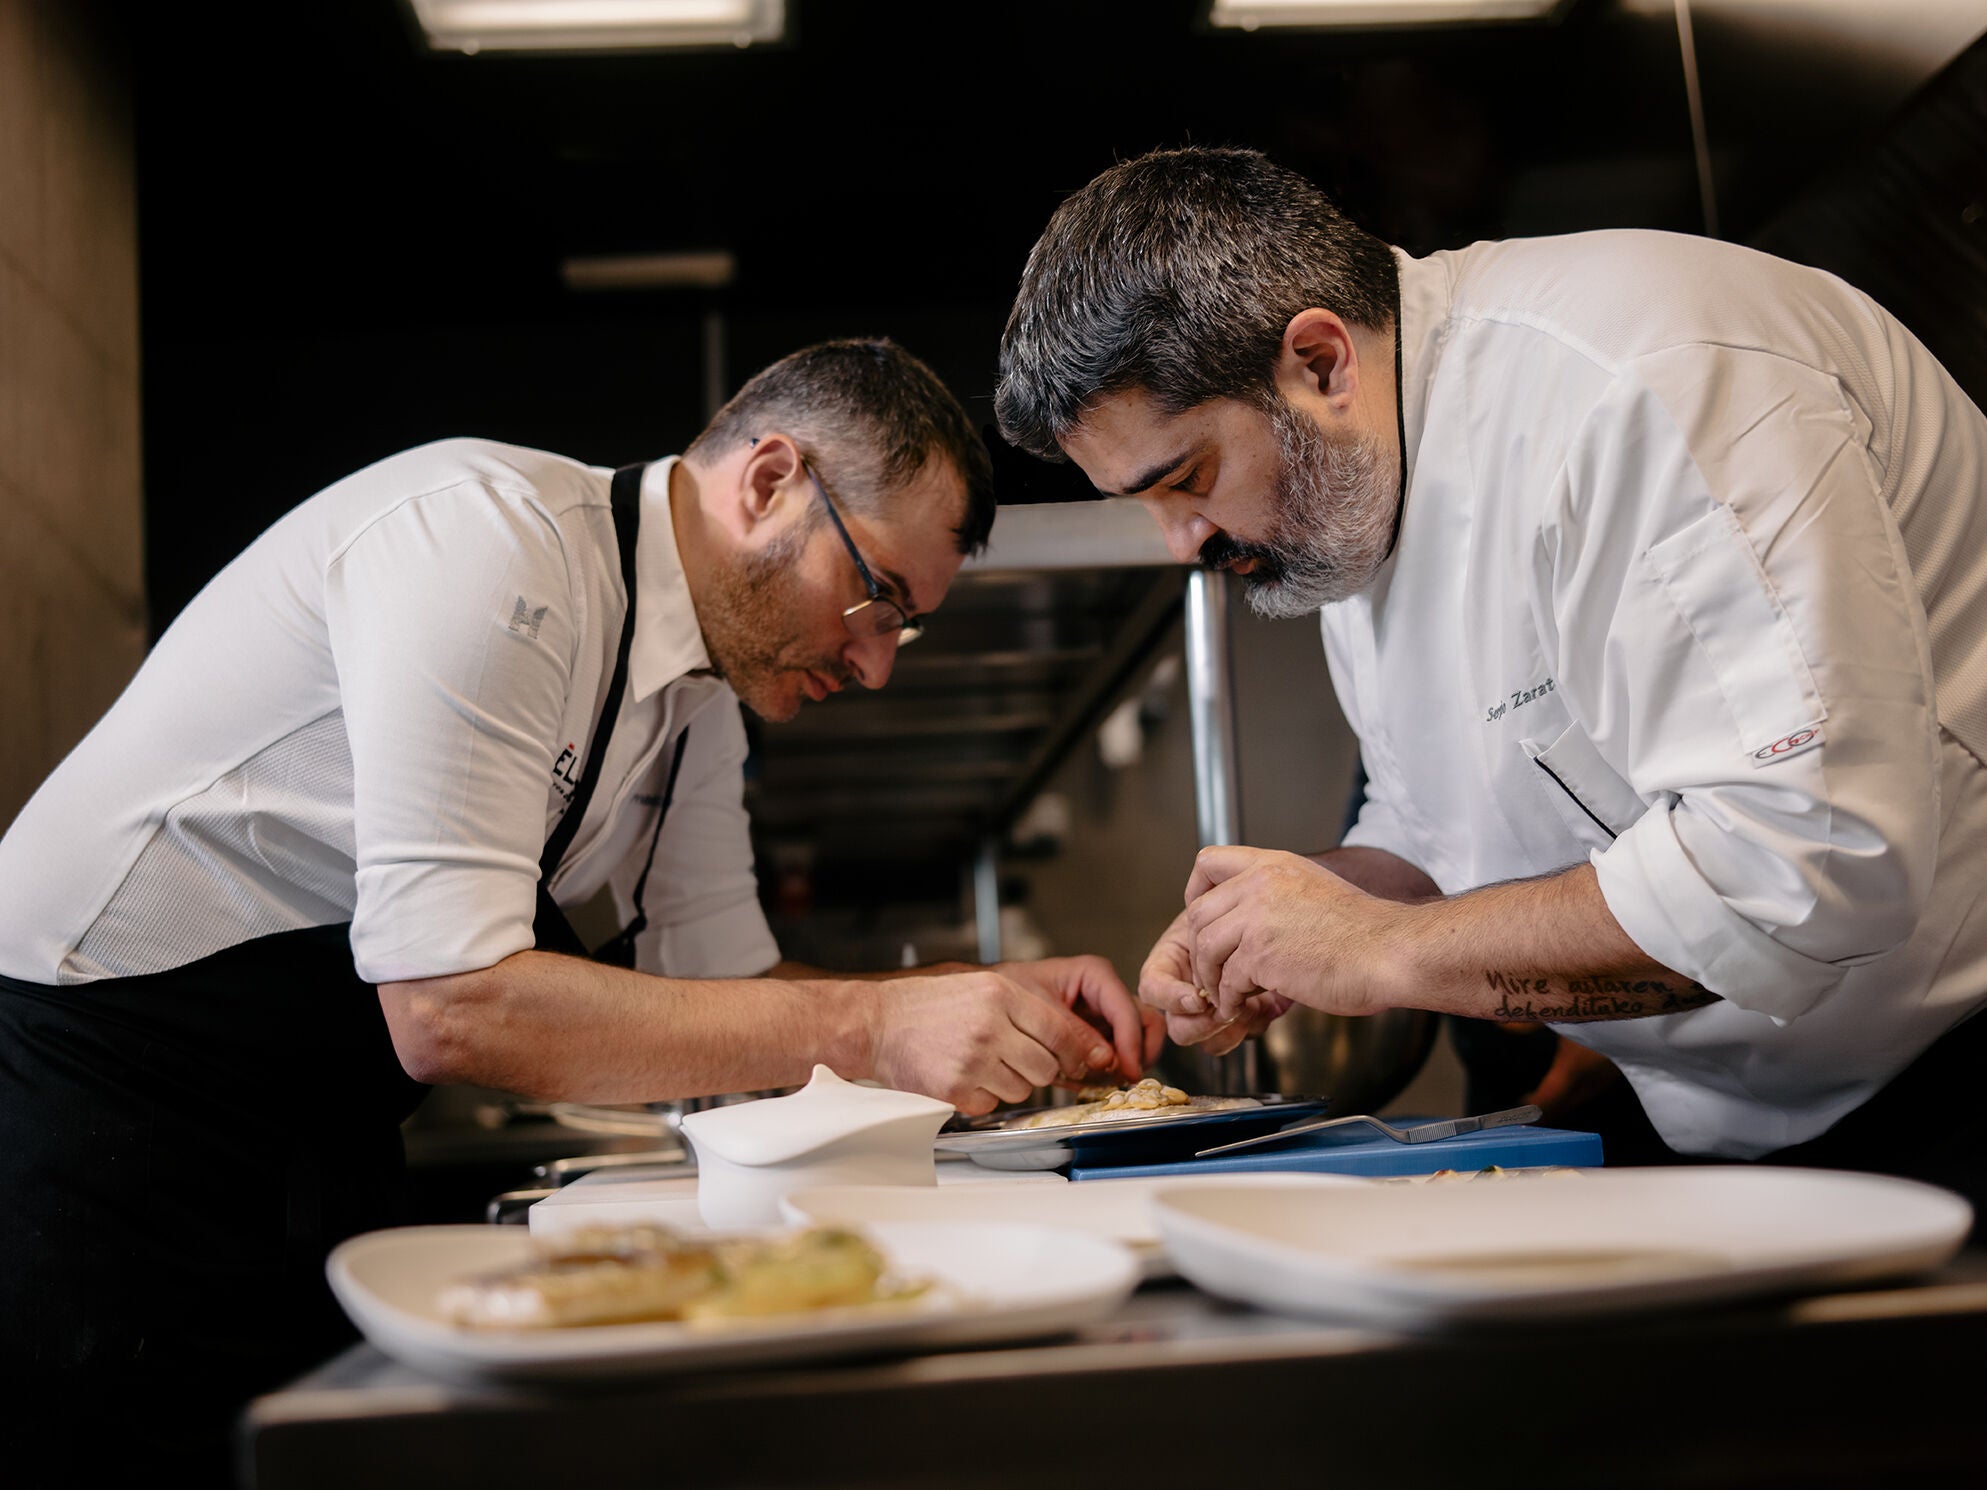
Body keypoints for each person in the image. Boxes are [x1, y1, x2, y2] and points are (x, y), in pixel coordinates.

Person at [0, 338, 1157, 1484]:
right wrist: (871, 1026)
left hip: (303, 1127)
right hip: (99, 1101)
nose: (874, 666)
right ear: (768, 483)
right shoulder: (490, 548)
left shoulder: (699, 691)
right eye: (875, 599)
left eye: (901, 628)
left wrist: (982, 994)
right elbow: (450, 1008)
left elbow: (739, 1001)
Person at [996, 146, 1987, 1205]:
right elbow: (1438, 823)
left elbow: (1808, 867)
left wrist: (1385, 948)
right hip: (1739, 1116)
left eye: (1185, 479)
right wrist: (1304, 909)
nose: (1179, 540)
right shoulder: (1359, 479)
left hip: (1953, 1076)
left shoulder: (1640, 381)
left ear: (1319, 362)